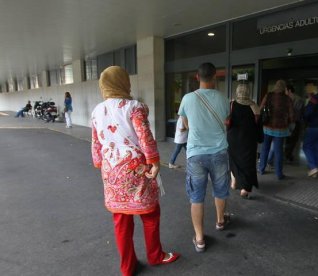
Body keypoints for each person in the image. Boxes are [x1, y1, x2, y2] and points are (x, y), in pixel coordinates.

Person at [91, 66, 179, 276]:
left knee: (121, 219)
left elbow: (96, 145)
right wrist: (155, 162)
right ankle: (155, 256)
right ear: (123, 82)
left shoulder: (97, 111)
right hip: (137, 169)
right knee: (150, 213)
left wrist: (101, 164)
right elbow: (145, 137)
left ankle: (127, 268)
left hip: (111, 171)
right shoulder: (134, 107)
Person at [178, 62, 230, 253]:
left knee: (197, 197)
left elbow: (186, 123)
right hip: (219, 152)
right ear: (215, 76)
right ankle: (220, 221)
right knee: (220, 190)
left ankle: (200, 239)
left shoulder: (187, 99)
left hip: (196, 155)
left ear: (197, 77)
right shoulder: (223, 99)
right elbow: (226, 120)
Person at [227, 84, 261, 199]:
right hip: (249, 141)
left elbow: (226, 121)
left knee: (233, 160)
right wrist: (260, 138)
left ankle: (234, 181)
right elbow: (259, 126)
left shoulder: (231, 104)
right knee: (247, 163)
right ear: (248, 92)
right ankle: (244, 189)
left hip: (233, 139)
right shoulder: (254, 107)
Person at [258, 80, 294, 180]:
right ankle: (279, 174)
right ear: (284, 88)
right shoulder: (287, 99)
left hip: (267, 127)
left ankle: (261, 169)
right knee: (278, 151)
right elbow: (291, 115)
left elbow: (260, 108)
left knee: (265, 148)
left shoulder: (268, 96)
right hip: (280, 129)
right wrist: (290, 123)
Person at [284, 85, 305, 162]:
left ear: (289, 90)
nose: (284, 92)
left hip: (295, 123)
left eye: (285, 90)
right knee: (289, 140)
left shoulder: (298, 100)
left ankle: (288, 155)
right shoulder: (286, 99)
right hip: (288, 122)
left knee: (292, 140)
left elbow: (298, 114)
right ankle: (287, 155)